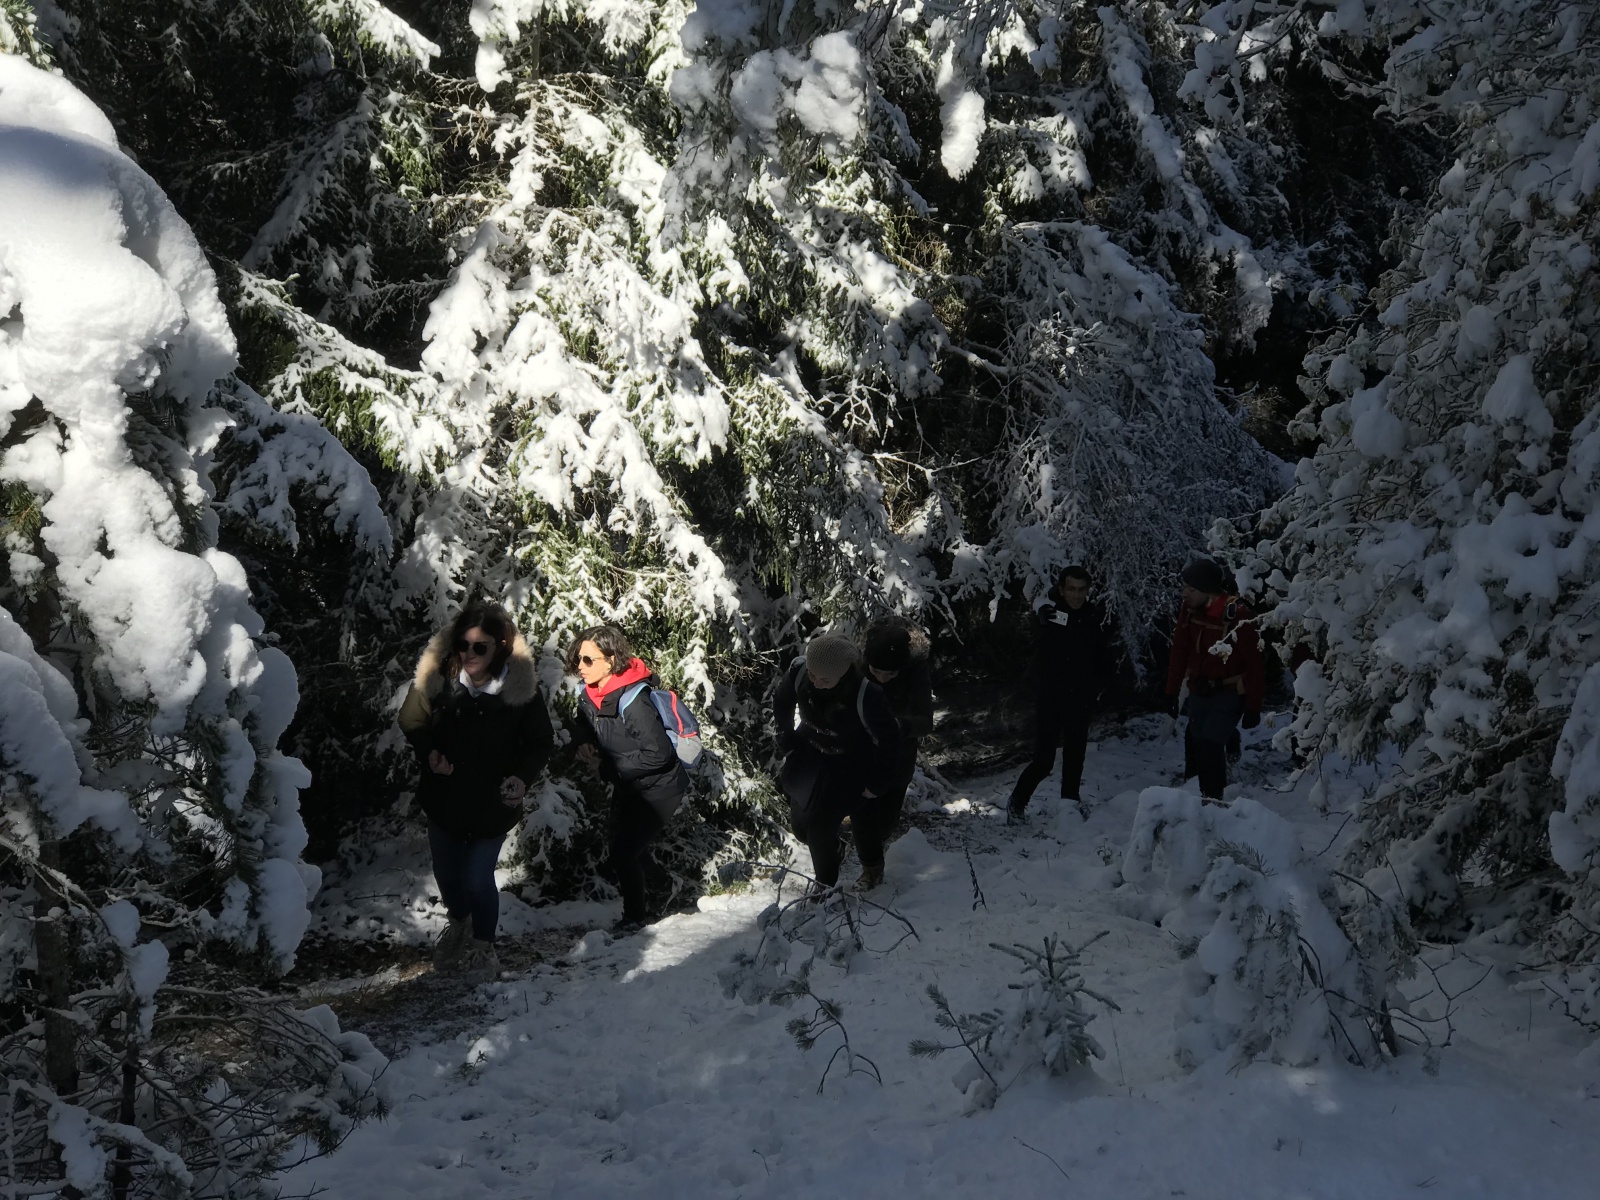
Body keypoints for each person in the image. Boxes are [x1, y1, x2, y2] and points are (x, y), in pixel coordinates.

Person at [398, 602, 554, 983]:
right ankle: (459, 924)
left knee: (477, 878)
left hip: (492, 803)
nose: (469, 654)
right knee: (447, 876)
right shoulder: (439, 677)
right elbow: (411, 719)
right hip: (444, 799)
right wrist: (430, 752)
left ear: (500, 646)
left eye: (479, 647)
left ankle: (484, 947)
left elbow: (540, 741)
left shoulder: (520, 689)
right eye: (463, 645)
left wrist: (522, 778)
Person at [567, 625, 690, 934]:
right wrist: (583, 742)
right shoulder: (590, 694)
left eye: (588, 659)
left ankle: (634, 919)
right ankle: (665, 886)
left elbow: (659, 754)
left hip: (661, 787)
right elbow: (583, 722)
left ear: (611, 661)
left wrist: (609, 768)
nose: (580, 666)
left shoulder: (634, 701)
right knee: (627, 846)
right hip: (630, 783)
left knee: (623, 852)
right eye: (578, 659)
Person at [773, 632, 901, 891]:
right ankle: (834, 851)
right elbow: (782, 700)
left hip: (850, 765)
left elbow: (890, 740)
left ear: (843, 674)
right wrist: (785, 735)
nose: (817, 683)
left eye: (825, 680)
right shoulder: (800, 671)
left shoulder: (866, 694)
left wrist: (878, 782)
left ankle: (827, 888)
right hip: (810, 756)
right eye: (813, 676)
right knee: (801, 828)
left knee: (821, 830)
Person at [1007, 565, 1115, 823]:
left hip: (1080, 697)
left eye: (1081, 589)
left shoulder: (1093, 616)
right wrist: (1040, 618)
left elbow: (1102, 655)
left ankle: (1070, 805)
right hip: (1050, 697)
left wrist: (1101, 686)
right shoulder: (1050, 613)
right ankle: (1016, 804)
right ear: (1062, 589)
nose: (1076, 595)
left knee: (1075, 755)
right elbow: (1035, 629)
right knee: (1044, 760)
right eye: (1071, 589)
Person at [1165, 558, 1265, 802]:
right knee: (1194, 740)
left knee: (1209, 745)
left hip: (1229, 692)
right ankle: (1191, 793)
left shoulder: (1238, 616)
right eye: (1184, 588)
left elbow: (1256, 665)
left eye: (1191, 589)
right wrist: (1171, 692)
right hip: (1200, 689)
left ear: (1208, 591)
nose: (1185, 594)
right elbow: (1180, 649)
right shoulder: (1189, 610)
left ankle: (1212, 801)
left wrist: (1253, 707)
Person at [860, 618, 934, 843]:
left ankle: (880, 847)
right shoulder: (859, 666)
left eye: (890, 674)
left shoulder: (916, 672)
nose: (882, 679)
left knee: (886, 820)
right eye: (876, 671)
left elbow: (925, 722)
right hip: (862, 753)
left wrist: (900, 726)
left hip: (899, 756)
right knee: (861, 814)